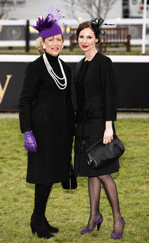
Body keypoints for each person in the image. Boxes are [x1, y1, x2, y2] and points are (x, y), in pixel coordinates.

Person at [19, 10, 74, 239]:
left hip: (61, 133)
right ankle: (36, 220)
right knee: (43, 177)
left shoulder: (66, 69)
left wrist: (73, 131)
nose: (55, 44)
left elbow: (68, 103)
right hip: (41, 134)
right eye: (50, 40)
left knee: (52, 176)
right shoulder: (35, 67)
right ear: (43, 42)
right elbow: (24, 102)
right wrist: (27, 131)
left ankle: (39, 218)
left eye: (59, 39)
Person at [73, 18, 125, 239]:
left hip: (100, 125)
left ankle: (118, 218)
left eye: (89, 37)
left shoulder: (104, 62)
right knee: (90, 172)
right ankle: (94, 215)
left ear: (97, 39)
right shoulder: (80, 64)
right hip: (83, 126)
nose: (84, 41)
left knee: (103, 173)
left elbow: (109, 97)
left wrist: (108, 127)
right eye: (81, 37)